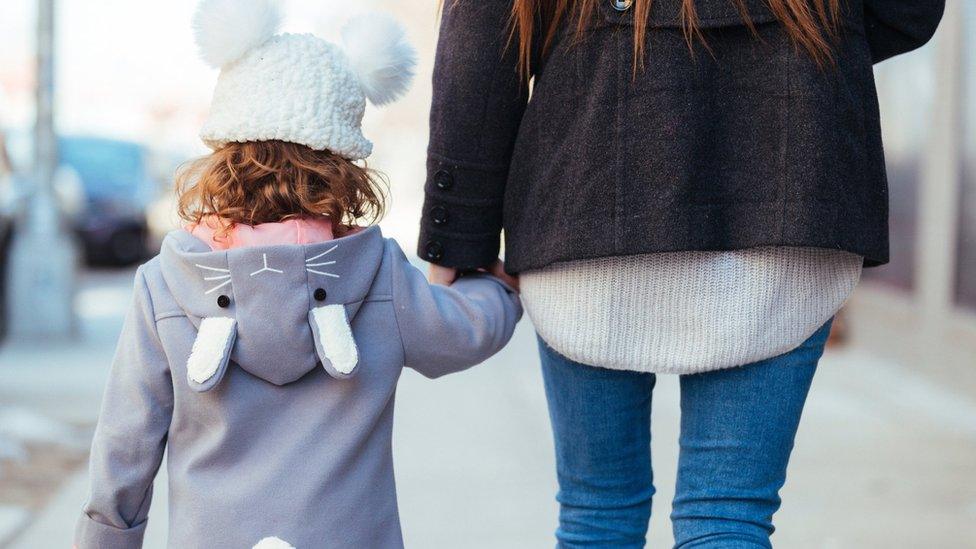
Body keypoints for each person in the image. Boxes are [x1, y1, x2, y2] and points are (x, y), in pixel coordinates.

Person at [420, 0, 945, 547]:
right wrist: (788, 43)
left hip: (587, 197)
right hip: (786, 197)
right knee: (729, 517)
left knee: (596, 516)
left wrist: (457, 241)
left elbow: (479, 55)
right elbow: (907, 13)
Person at [73, 1, 521, 548]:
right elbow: (465, 331)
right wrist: (498, 285)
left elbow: (126, 444)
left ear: (225, 155)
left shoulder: (167, 282)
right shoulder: (377, 274)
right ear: (343, 170)